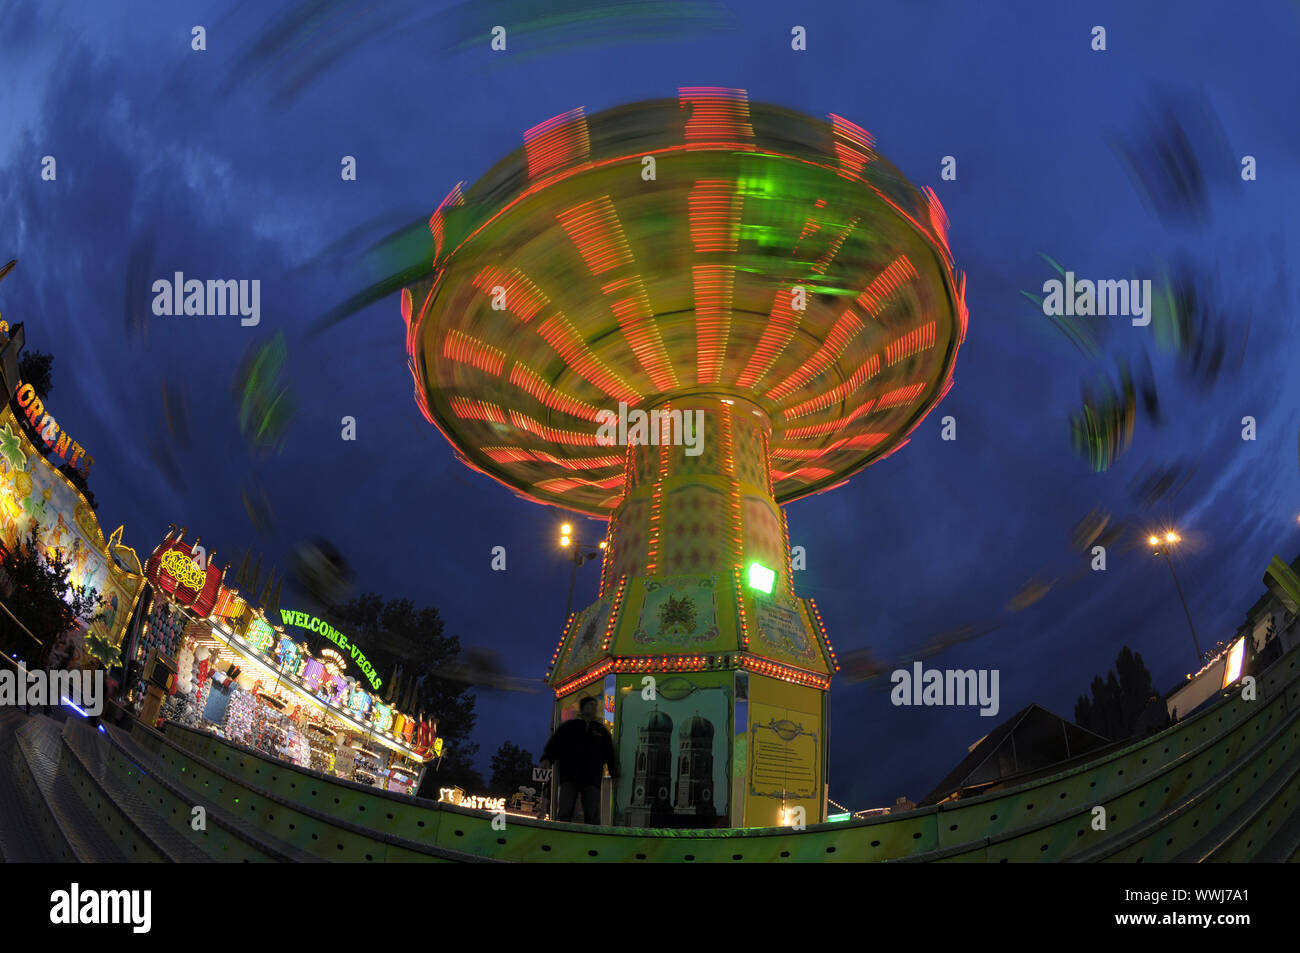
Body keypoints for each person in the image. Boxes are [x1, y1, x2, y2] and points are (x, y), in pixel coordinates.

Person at [540, 695, 618, 825]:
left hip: (592, 777)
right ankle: (562, 833)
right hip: (570, 775)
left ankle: (589, 836)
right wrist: (547, 758)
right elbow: (555, 744)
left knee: (592, 812)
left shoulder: (601, 731)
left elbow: (609, 753)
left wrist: (614, 773)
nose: (593, 707)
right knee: (565, 809)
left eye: (595, 705)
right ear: (583, 708)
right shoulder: (570, 727)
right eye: (590, 704)